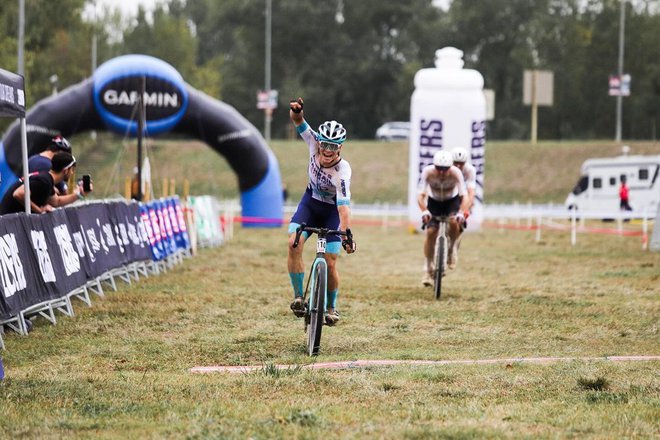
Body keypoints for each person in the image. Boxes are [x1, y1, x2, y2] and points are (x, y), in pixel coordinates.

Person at [287, 97, 356, 326]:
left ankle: (331, 307)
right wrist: (297, 110)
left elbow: (344, 208)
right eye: (325, 145)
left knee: (331, 260)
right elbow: (299, 122)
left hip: (332, 212)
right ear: (319, 142)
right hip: (310, 204)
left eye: (333, 147)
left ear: (340, 147)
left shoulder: (342, 171)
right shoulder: (313, 142)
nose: (327, 150)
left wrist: (346, 234)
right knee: (293, 243)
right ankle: (298, 297)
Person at [417, 150, 470, 286]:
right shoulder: (428, 172)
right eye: (438, 168)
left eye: (445, 169)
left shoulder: (456, 173)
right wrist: (424, 211)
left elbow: (464, 196)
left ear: (450, 167)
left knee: (453, 222)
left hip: (450, 201)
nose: (441, 172)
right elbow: (420, 195)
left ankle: (452, 249)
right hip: (434, 202)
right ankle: (428, 268)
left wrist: (461, 212)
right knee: (430, 232)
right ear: (434, 166)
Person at [0, 152, 91, 215]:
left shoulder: (48, 180)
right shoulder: (44, 181)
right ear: (66, 170)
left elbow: (57, 201)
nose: (72, 174)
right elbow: (18, 194)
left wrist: (79, 194)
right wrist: (40, 210)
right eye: (72, 170)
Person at [451, 147, 476, 214]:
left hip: (462, 192)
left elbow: (471, 190)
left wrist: (468, 206)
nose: (458, 166)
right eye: (455, 163)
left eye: (461, 163)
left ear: (465, 162)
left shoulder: (470, 169)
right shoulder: (448, 168)